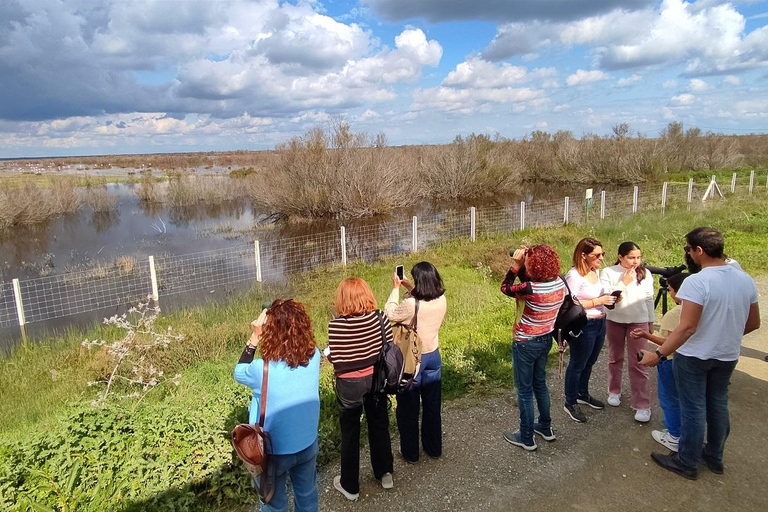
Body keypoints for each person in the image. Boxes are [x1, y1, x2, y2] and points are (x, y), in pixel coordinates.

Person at [640, 227, 760, 480]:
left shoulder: (697, 281)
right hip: (727, 355)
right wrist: (723, 335)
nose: (688, 254)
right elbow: (753, 323)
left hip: (695, 356)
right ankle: (714, 457)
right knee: (717, 404)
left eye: (689, 249)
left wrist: (658, 354)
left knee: (692, 408)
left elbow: (687, 327)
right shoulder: (744, 278)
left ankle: (687, 461)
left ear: (700, 250)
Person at [233, 299, 321, 512]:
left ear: (269, 331)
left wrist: (255, 337)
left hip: (273, 452)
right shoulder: (314, 355)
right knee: (307, 495)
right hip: (307, 443)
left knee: (274, 503)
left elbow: (238, 371)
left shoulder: (260, 369)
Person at [327, 278, 394, 500]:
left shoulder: (335, 326)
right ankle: (385, 473)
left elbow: (335, 358)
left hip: (348, 386)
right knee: (379, 425)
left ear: (342, 299)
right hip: (376, 380)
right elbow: (388, 346)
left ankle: (351, 486)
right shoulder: (381, 318)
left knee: (350, 433)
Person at [500, 244, 566, 451]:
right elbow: (531, 282)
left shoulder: (530, 289)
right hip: (545, 338)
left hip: (525, 342)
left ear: (532, 265)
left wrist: (515, 266)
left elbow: (505, 287)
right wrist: (527, 261)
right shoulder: (559, 283)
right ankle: (545, 427)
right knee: (540, 384)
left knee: (525, 391)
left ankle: (526, 437)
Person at [386, 261, 447, 463]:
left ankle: (411, 453)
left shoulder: (412, 305)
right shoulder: (441, 299)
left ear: (420, 281)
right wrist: (409, 287)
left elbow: (390, 313)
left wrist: (396, 289)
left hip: (414, 360)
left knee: (408, 409)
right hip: (433, 357)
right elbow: (423, 298)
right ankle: (434, 448)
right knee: (432, 407)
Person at [632, 272, 689, 452]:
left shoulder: (673, 315)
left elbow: (670, 343)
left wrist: (646, 335)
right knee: (686, 399)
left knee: (669, 399)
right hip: (691, 362)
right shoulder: (698, 309)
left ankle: (674, 436)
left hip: (670, 361)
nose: (669, 293)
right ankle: (683, 432)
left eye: (671, 290)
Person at [563, 237, 617, 423]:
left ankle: (582, 393)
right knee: (577, 363)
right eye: (597, 255)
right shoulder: (574, 275)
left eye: (603, 254)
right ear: (583, 255)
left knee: (590, 361)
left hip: (600, 322)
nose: (601, 258)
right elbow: (570, 304)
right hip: (584, 325)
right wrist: (598, 301)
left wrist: (609, 299)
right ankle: (570, 401)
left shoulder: (595, 271)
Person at [600, 241, 655, 422]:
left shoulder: (645, 273)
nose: (635, 261)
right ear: (620, 257)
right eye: (631, 257)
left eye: (638, 257)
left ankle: (642, 405)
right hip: (615, 320)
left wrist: (650, 321)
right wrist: (623, 282)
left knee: (639, 362)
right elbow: (609, 298)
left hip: (638, 322)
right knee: (615, 357)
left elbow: (649, 298)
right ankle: (614, 390)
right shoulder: (608, 272)